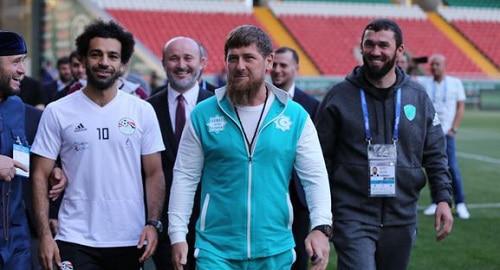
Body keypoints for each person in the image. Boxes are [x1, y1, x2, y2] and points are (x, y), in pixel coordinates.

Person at [169, 25, 332, 270]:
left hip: (275, 249)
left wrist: (320, 227)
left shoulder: (295, 116)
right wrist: (177, 234)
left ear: (268, 62)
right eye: (233, 58)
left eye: (248, 58)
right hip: (216, 251)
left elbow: (315, 177)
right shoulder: (203, 114)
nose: (239, 66)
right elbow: (185, 176)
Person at [316, 18, 454, 270]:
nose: (375, 51)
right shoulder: (338, 97)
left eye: (383, 45)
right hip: (352, 214)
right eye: (369, 44)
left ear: (400, 50)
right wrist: (322, 214)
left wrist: (443, 198)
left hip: (402, 215)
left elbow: (435, 153)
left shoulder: (417, 96)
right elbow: (320, 161)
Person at [31, 20, 166, 270]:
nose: (104, 62)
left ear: (123, 64)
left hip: (129, 238)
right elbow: (39, 174)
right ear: (83, 60)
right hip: (74, 237)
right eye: (96, 54)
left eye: (112, 56)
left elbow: (154, 173)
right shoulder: (57, 111)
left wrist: (152, 223)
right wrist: (45, 236)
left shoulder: (142, 111)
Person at [148, 36, 213, 270]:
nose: (181, 65)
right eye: (174, 58)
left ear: (202, 62)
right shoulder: (147, 109)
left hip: (212, 223)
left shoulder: (220, 106)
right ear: (163, 62)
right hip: (163, 223)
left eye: (188, 58)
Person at [270, 46, 320, 270]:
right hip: (268, 192)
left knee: (298, 258)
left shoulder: (311, 106)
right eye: (274, 65)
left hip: (299, 197)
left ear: (296, 69)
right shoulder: (259, 101)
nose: (277, 70)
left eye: (283, 65)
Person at [418, 54, 470, 219]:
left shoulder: (455, 83)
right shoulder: (424, 83)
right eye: (432, 64)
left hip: (447, 133)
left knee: (452, 168)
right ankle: (436, 202)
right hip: (430, 134)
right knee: (432, 168)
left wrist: (454, 128)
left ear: (445, 65)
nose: (434, 67)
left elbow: (461, 106)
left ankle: (460, 203)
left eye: (437, 64)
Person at [0, 30, 32, 269]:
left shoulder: (17, 107)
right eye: (16, 61)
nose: (22, 70)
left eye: (24, 61)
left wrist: (52, 171)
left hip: (16, 244)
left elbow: (22, 156)